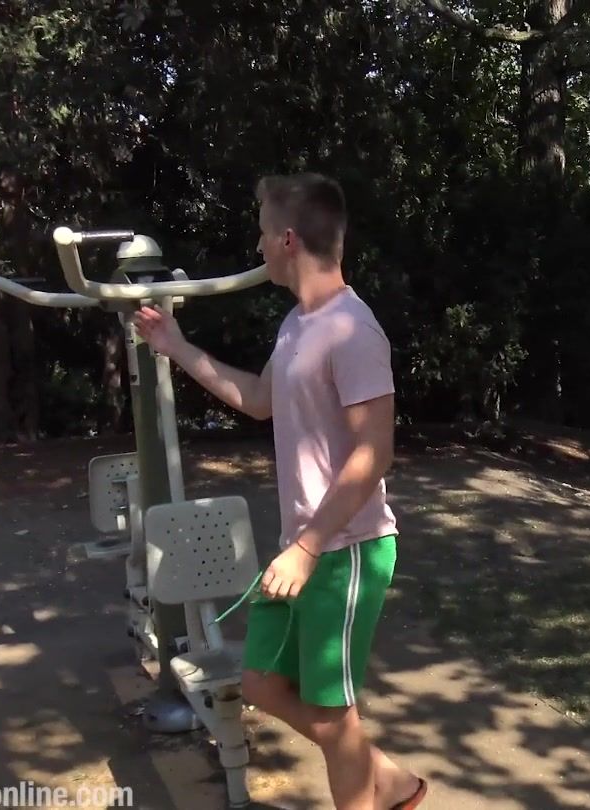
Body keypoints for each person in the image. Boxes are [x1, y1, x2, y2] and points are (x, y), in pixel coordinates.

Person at [131, 173, 427, 810]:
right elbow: (260, 398)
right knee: (262, 684)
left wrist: (309, 548)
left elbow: (375, 453)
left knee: (334, 714)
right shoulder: (298, 323)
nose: (258, 246)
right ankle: (390, 779)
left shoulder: (354, 330)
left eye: (263, 232)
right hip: (303, 548)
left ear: (288, 239)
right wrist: (175, 346)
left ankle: (374, 789)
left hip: (345, 550)